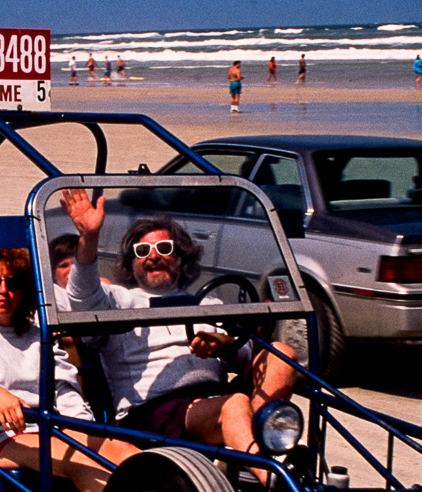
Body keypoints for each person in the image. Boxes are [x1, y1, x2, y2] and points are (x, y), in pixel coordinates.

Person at [59, 189, 297, 458]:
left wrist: (226, 347)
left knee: (281, 354)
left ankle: (255, 445)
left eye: (164, 248)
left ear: (181, 256)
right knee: (233, 405)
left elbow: (243, 358)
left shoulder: (207, 304)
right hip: (151, 414)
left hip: (214, 403)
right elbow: (83, 296)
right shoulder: (119, 301)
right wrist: (89, 237)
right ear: (131, 261)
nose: (153, 255)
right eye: (142, 250)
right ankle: (271, 472)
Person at [0, 244, 139, 492]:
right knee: (80, 460)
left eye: (13, 283)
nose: (3, 291)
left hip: (48, 426)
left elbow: (63, 387)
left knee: (124, 451)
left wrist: (83, 428)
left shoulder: (38, 337)